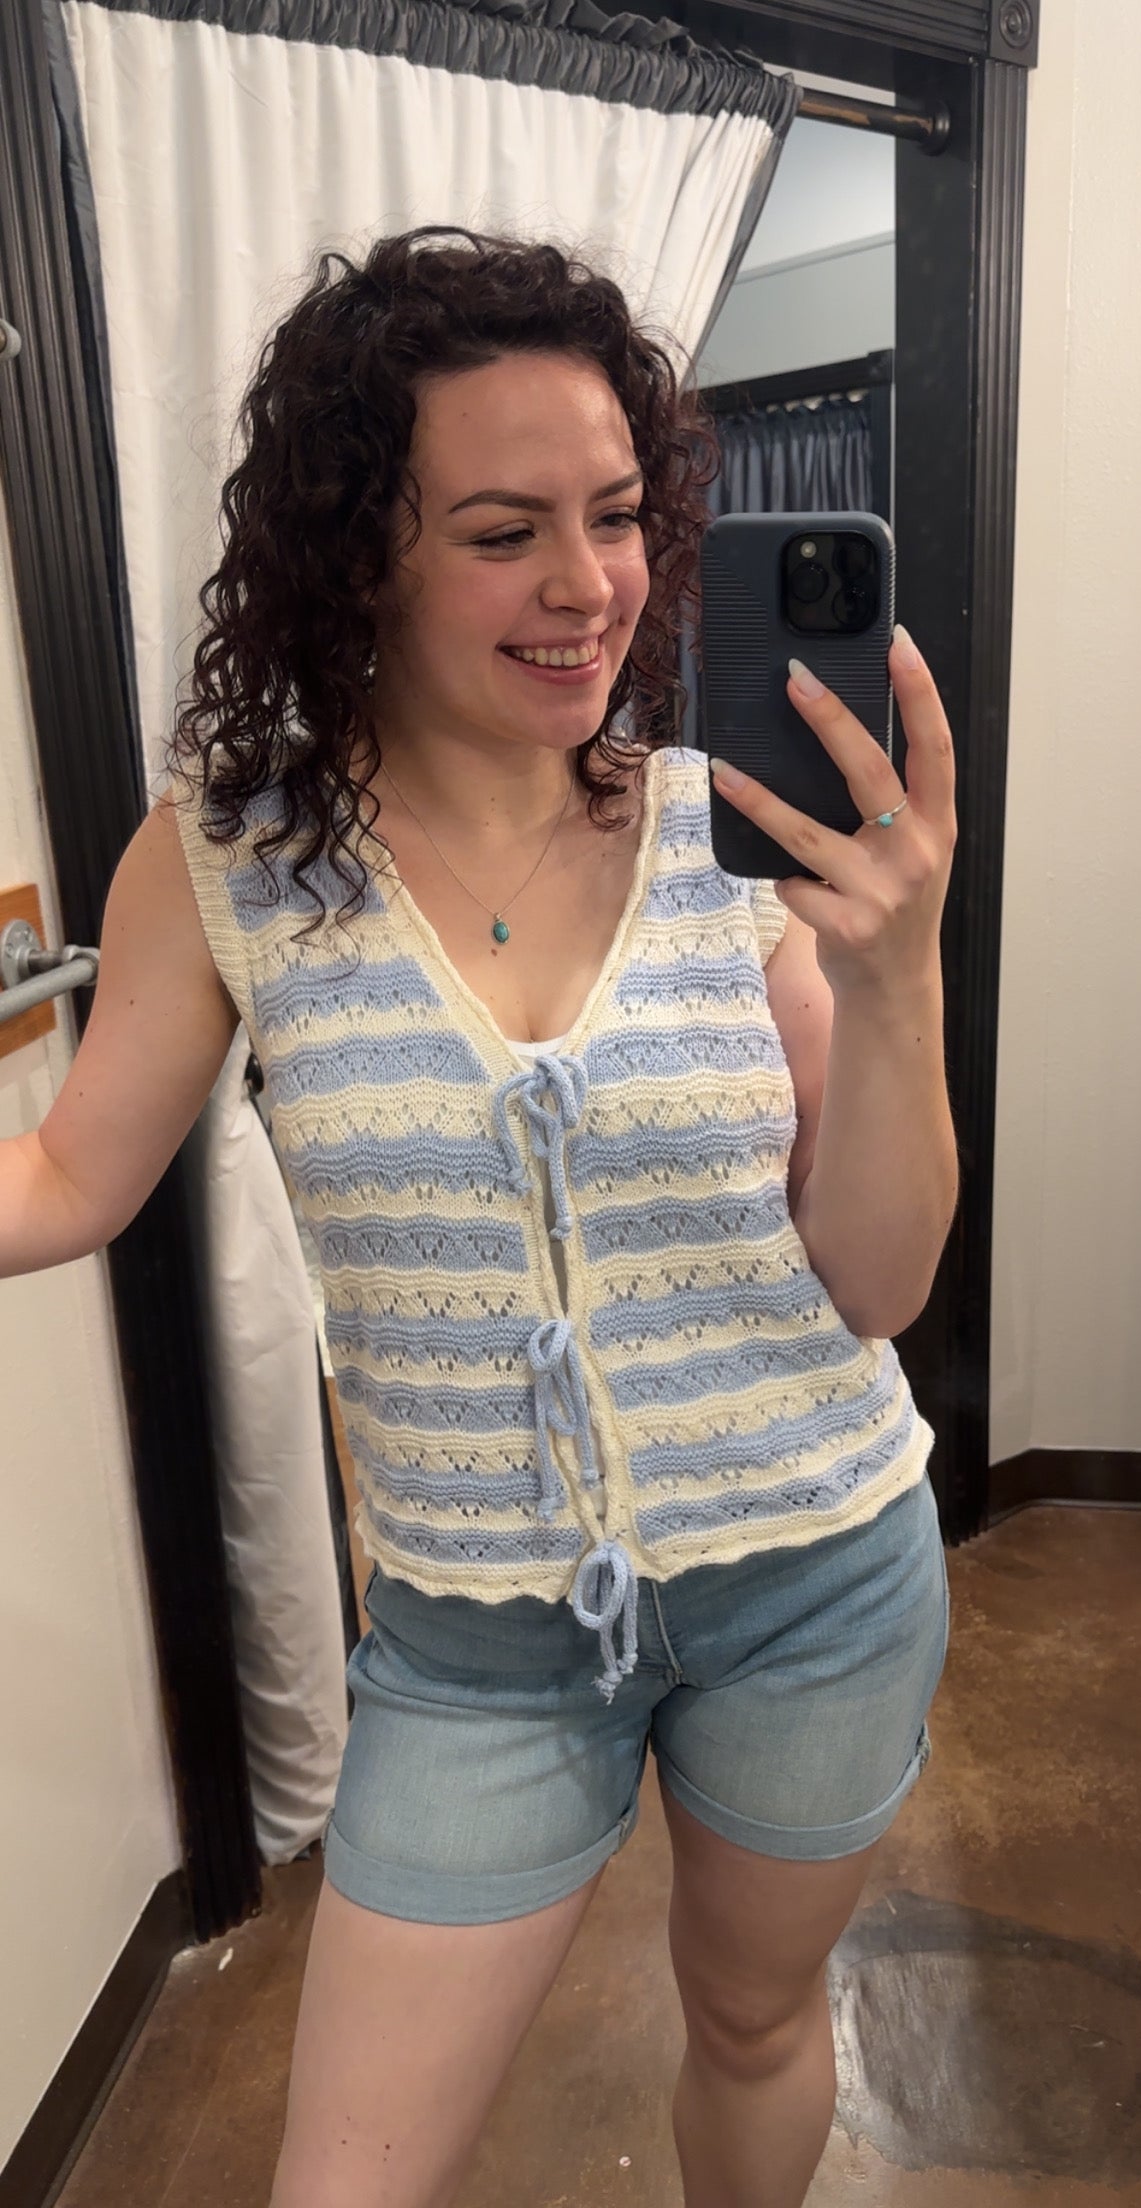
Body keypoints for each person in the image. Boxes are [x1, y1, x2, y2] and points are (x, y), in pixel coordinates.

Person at [0, 226, 959, 2208]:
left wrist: (897, 981)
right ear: (358, 552)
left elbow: (876, 1280)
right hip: (476, 1644)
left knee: (757, 2020)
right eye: (504, 531)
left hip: (817, 1575)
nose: (587, 584)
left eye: (615, 517)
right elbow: (68, 1175)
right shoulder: (231, 866)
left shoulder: (727, 834)